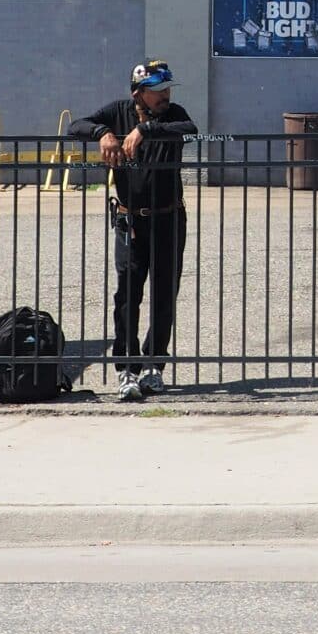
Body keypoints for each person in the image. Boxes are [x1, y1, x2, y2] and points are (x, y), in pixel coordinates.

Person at [68, 59, 199, 402]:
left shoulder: (173, 115)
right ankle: (127, 368)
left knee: (164, 292)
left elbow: (190, 128)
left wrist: (146, 131)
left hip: (169, 217)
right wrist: (103, 133)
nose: (164, 96)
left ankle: (154, 365)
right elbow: (74, 126)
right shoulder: (118, 112)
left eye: (167, 89)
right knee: (128, 294)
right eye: (157, 91)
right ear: (138, 93)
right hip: (131, 219)